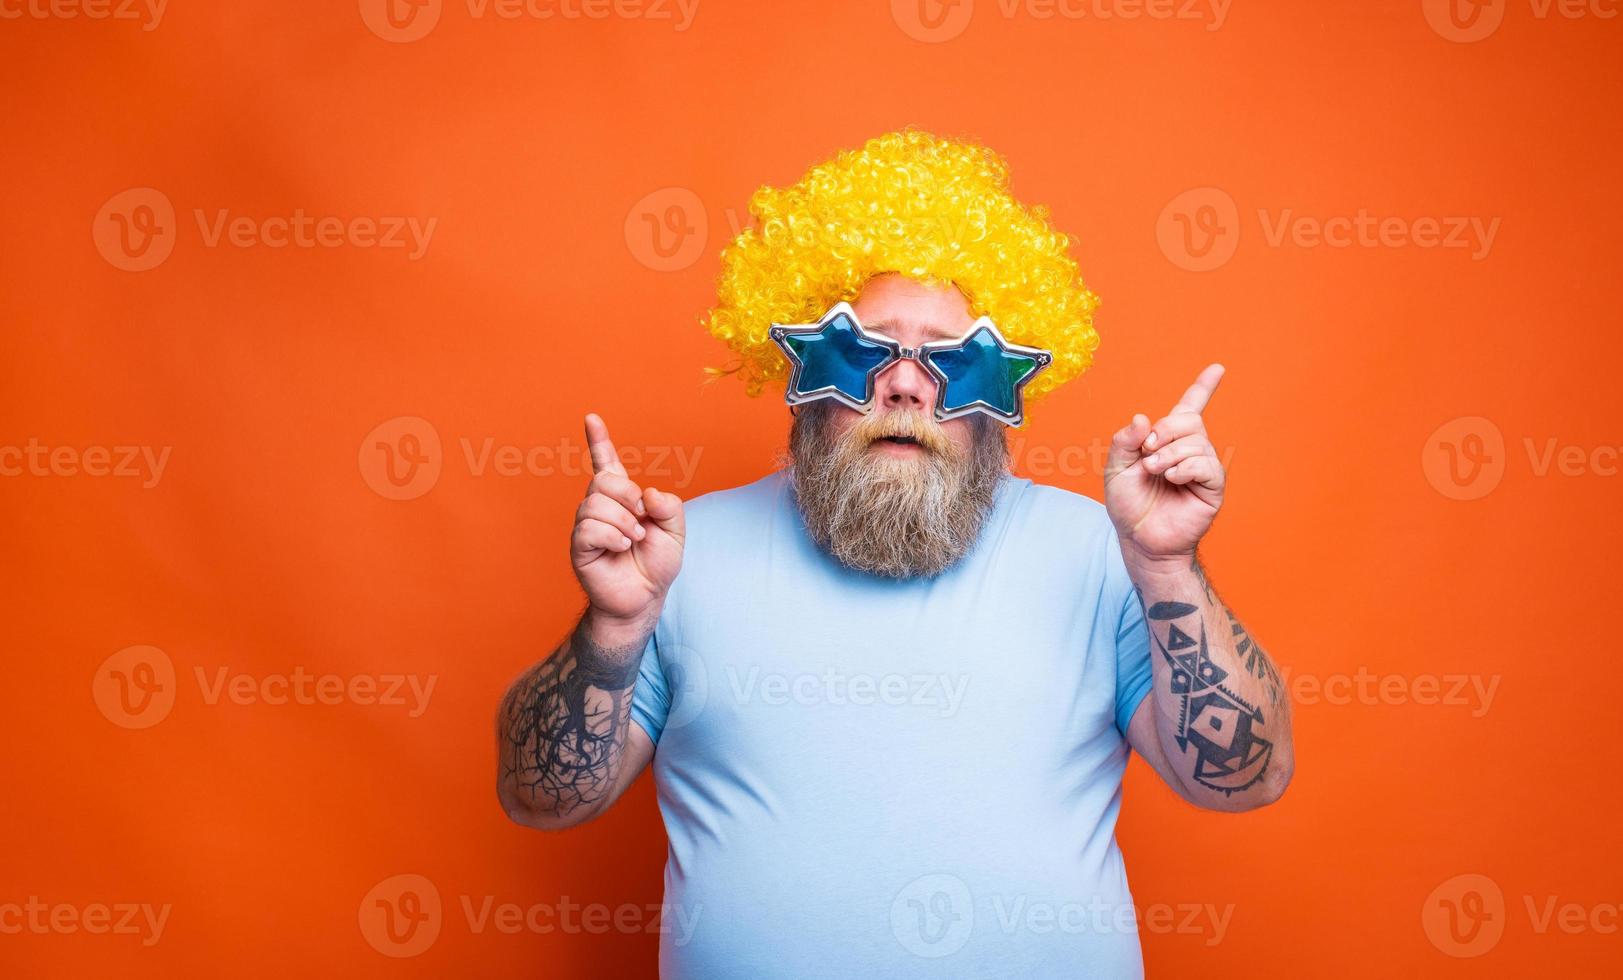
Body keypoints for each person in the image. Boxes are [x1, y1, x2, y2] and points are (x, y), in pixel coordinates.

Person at [496, 130, 1292, 978]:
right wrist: (614, 629)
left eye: (955, 361)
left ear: (1000, 396)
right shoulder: (674, 555)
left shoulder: (1101, 551)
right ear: (801, 373)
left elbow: (1242, 780)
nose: (906, 385)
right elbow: (540, 799)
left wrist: (1168, 568)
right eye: (862, 351)